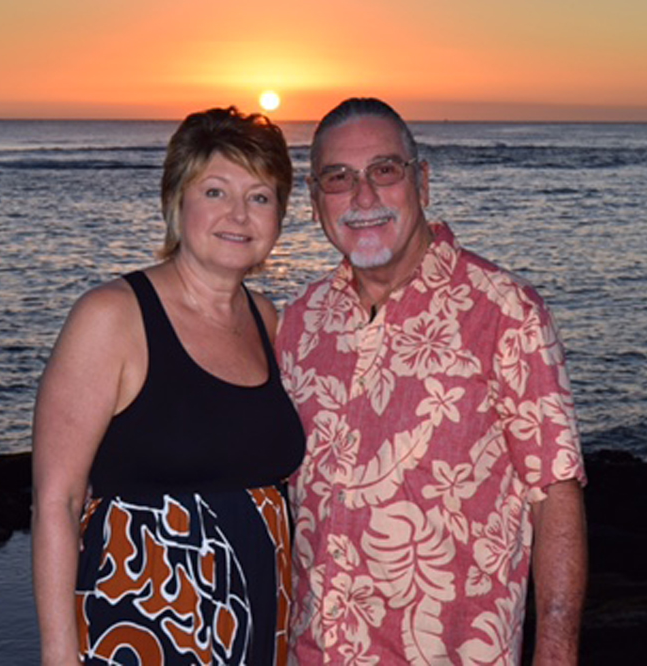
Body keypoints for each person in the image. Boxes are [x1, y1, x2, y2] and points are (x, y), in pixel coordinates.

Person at [276, 98, 587, 665]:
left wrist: (557, 649)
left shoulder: (504, 312)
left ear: (422, 181)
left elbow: (555, 494)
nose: (363, 198)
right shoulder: (299, 323)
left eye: (384, 171)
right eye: (338, 178)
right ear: (316, 200)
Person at [32, 106, 306, 666]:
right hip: (142, 623)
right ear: (177, 201)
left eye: (260, 196)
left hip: (259, 622)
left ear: (279, 216)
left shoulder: (268, 320)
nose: (239, 214)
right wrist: (59, 655)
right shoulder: (112, 317)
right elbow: (55, 502)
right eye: (215, 192)